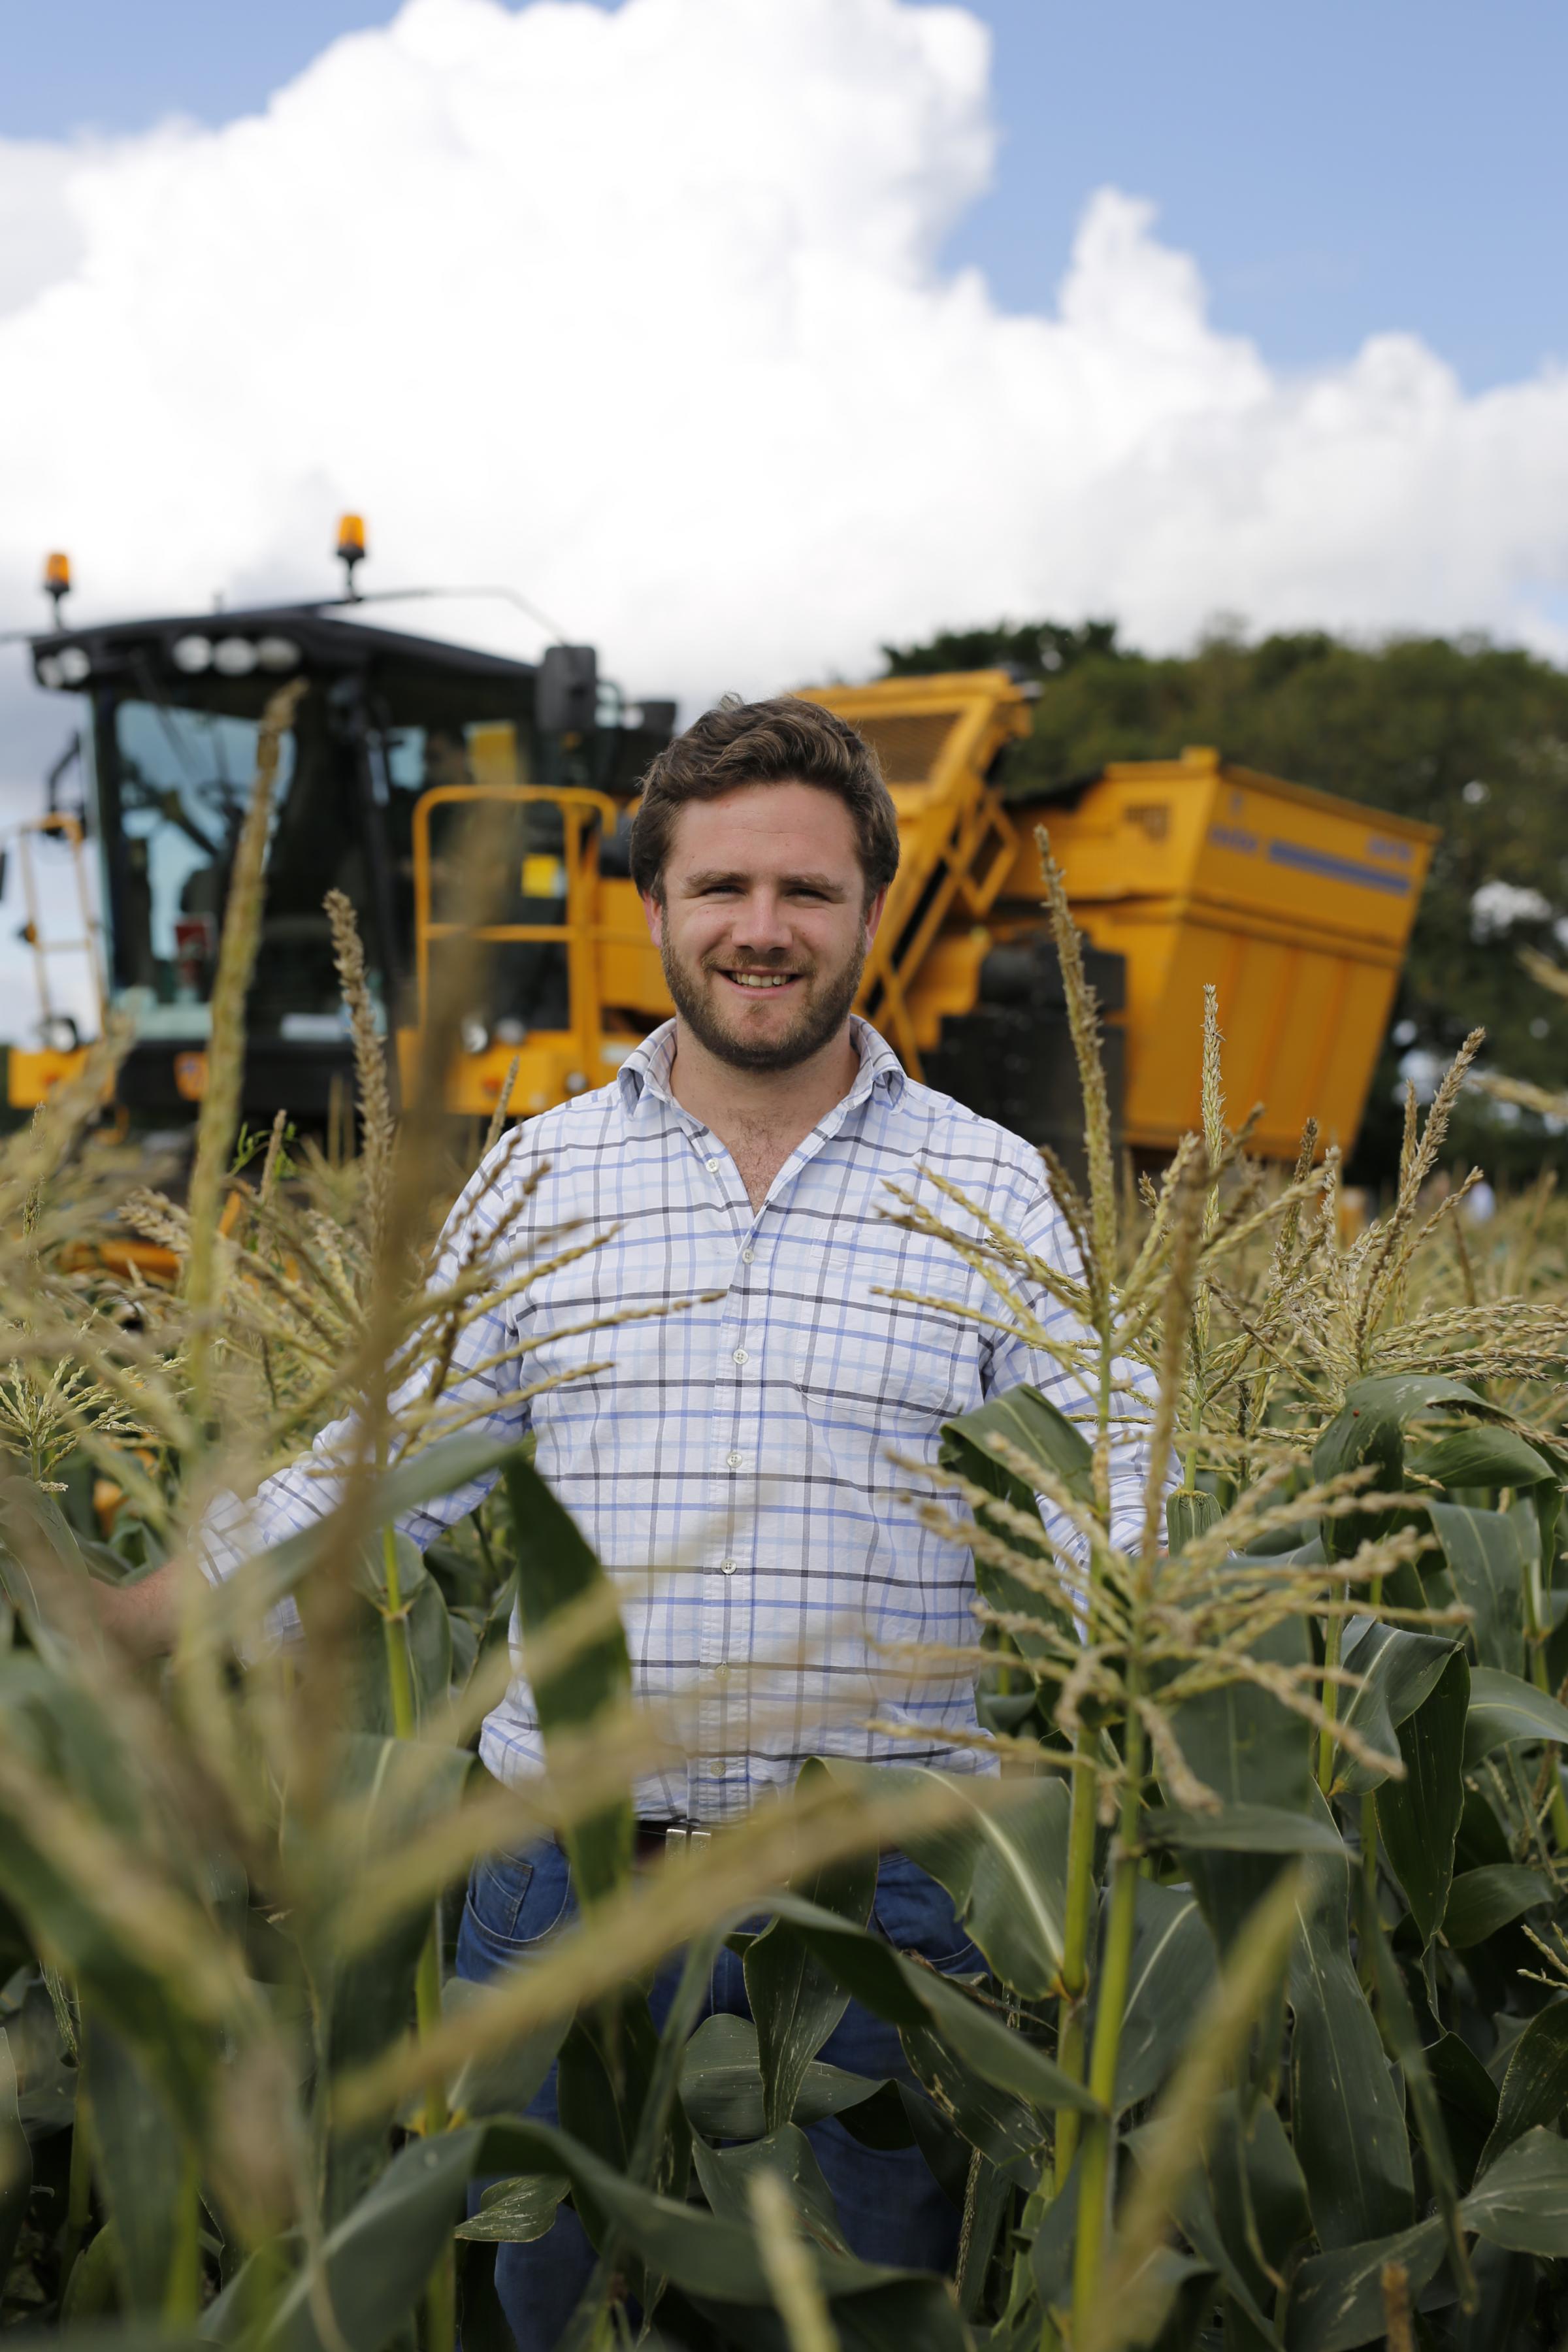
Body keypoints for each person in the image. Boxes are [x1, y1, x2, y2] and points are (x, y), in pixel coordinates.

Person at [101, 695, 1151, 2347]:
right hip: (566, 1891)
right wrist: (147, 1614)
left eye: (807, 893)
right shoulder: (538, 1181)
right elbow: (383, 1468)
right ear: (654, 908)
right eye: (720, 889)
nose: (762, 930)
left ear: (874, 907)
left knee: (865, 2321)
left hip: (875, 1912)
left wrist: (1181, 1645)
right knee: (532, 2311)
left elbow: (1111, 1472)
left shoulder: (993, 1185)